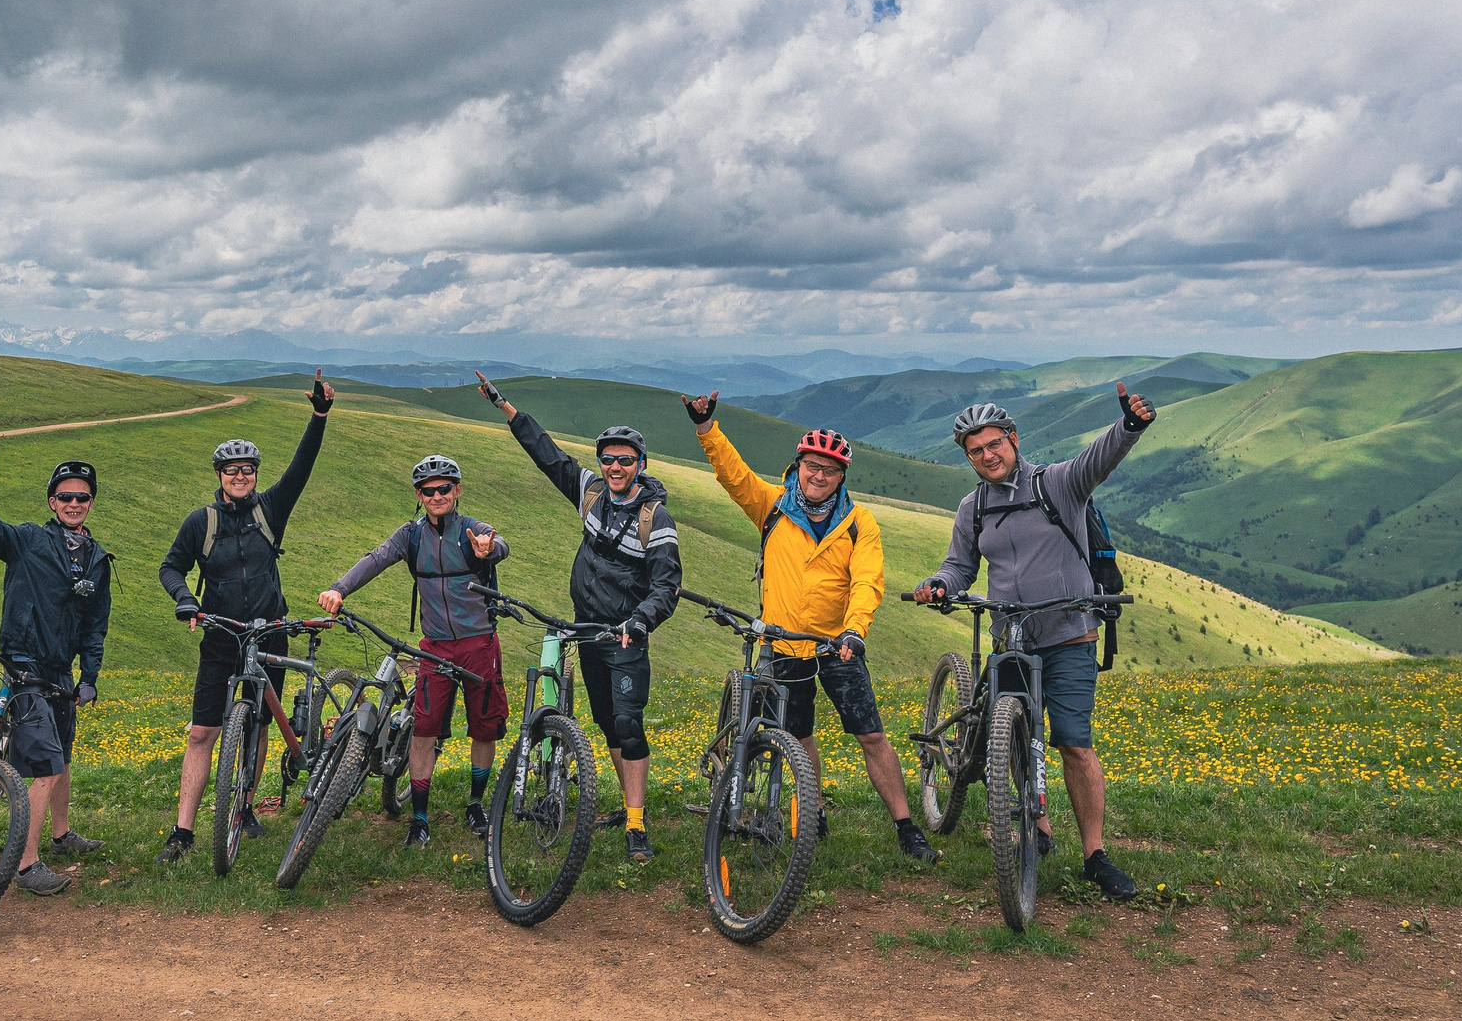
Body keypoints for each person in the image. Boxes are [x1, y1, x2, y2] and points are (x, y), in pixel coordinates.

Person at [914, 383, 1155, 902]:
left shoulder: (1057, 485)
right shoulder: (972, 507)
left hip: (1069, 634)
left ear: (1013, 439)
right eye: (975, 451)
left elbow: (1100, 458)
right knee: (1017, 736)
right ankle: (1037, 830)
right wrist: (939, 585)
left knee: (1074, 742)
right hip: (1011, 638)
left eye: (994, 444)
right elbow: (960, 565)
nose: (987, 455)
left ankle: (1095, 855)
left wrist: (1130, 426)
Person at [679, 393, 938, 866]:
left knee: (872, 737)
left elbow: (866, 581)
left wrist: (855, 631)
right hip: (781, 644)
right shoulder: (773, 507)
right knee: (798, 735)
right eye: (811, 466)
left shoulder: (859, 523)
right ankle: (812, 810)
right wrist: (706, 428)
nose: (819, 476)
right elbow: (734, 476)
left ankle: (905, 826)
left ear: (842, 477)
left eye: (830, 469)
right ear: (797, 466)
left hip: (837, 645)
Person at [476, 374, 681, 863]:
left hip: (626, 637)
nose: (614, 467)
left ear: (640, 465)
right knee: (608, 723)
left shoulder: (657, 520)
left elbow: (666, 586)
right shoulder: (590, 493)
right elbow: (548, 457)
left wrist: (639, 622)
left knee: (629, 725)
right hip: (587, 629)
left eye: (624, 460)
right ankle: (626, 807)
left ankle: (636, 824)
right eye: (607, 459)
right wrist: (507, 410)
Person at [153, 374, 335, 864]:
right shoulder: (201, 522)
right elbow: (171, 566)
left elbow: (302, 468)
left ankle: (245, 807)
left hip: (271, 633)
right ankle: (183, 830)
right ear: (219, 475)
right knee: (201, 733)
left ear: (255, 473)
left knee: (257, 724)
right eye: (231, 470)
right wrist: (186, 599)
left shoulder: (271, 509)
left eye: (247, 470)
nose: (240, 477)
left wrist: (319, 417)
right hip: (221, 635)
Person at [317, 455, 510, 849]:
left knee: (484, 727)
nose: (436, 495)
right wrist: (340, 588)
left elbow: (498, 544)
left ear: (457, 491)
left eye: (444, 488)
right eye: (428, 490)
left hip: (479, 644)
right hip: (435, 647)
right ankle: (419, 817)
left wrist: (489, 549)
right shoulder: (412, 535)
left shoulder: (473, 531)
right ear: (418, 496)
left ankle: (475, 804)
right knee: (423, 729)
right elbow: (376, 558)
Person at [0, 442, 114, 895]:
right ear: (53, 502)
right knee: (46, 765)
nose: (74, 504)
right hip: (24, 665)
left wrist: (89, 677)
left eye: (82, 497)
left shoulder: (97, 558)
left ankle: (62, 834)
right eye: (65, 497)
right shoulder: (29, 539)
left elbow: (94, 626)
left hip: (62, 674)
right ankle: (25, 865)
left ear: (90, 503)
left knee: (62, 756)